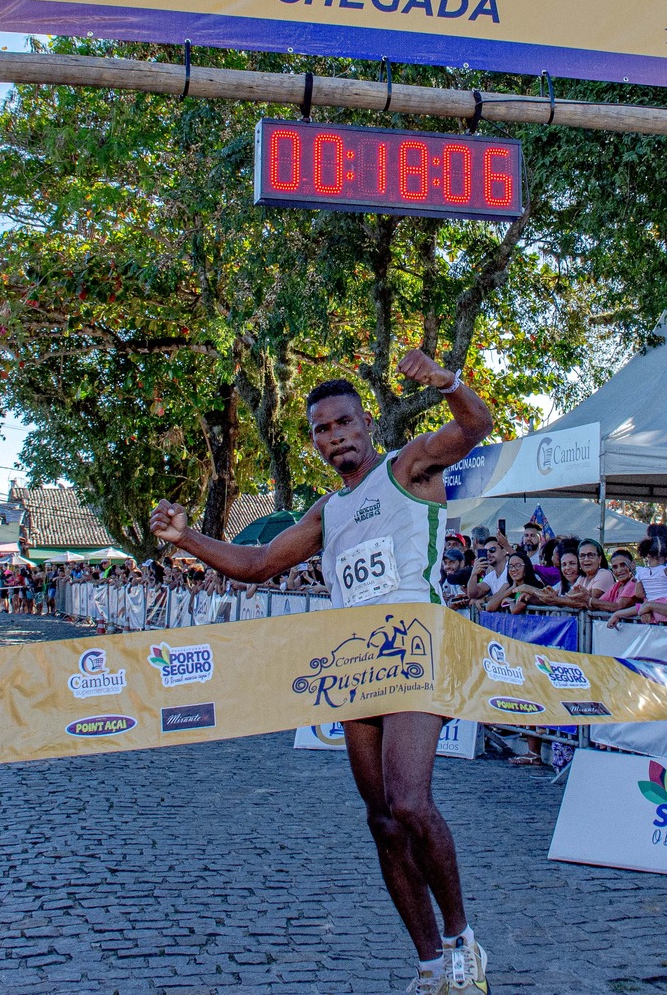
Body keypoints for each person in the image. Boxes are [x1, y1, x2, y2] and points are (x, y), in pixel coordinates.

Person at [149, 352, 493, 994]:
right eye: (321, 430)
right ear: (313, 442)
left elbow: (472, 427)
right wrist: (186, 538)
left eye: (343, 423)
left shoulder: (406, 468)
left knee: (410, 801)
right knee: (382, 821)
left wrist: (448, 384)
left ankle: (461, 940)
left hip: (417, 649)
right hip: (356, 662)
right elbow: (256, 564)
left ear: (367, 424)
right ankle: (427, 966)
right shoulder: (325, 513)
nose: (334, 437)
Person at [467, 531, 512, 605]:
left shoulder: (511, 569)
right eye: (486, 551)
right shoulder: (491, 575)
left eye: (492, 550)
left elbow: (502, 592)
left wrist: (485, 600)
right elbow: (473, 594)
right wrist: (474, 573)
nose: (488, 554)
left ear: (504, 551)